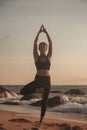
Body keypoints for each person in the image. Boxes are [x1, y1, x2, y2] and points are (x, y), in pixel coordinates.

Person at [20, 25, 52, 123]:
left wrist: (46, 33)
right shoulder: (36, 57)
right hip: (38, 79)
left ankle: (41, 119)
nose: (42, 49)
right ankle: (38, 90)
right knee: (22, 91)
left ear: (46, 49)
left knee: (45, 101)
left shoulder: (49, 57)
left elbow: (51, 43)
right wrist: (38, 32)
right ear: (39, 49)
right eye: (41, 47)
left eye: (44, 47)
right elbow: (34, 43)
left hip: (46, 80)